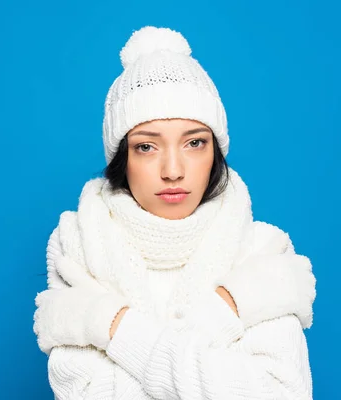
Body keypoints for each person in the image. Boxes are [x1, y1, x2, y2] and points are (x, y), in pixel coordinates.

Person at [32, 26, 316, 399]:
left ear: (215, 151)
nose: (173, 170)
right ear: (123, 158)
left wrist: (114, 327)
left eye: (194, 142)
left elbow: (281, 393)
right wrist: (224, 313)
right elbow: (85, 391)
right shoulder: (81, 246)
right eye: (147, 146)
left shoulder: (262, 253)